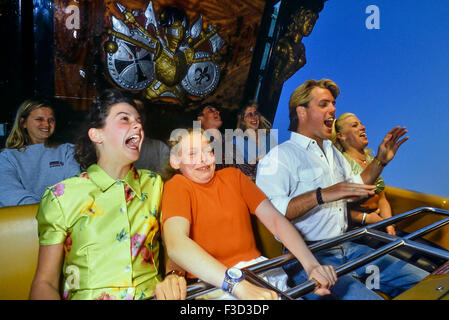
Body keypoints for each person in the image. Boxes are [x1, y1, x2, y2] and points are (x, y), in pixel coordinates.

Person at [256, 79, 428, 300]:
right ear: (302, 112)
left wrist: (381, 161)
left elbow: (356, 184)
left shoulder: (331, 151)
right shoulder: (279, 157)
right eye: (324, 104)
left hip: (350, 245)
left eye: (334, 104)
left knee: (427, 280)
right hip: (309, 258)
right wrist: (322, 195)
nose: (333, 109)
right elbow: (273, 213)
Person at [29, 89, 186, 300]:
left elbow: (175, 245)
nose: (138, 126)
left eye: (139, 121)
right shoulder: (61, 196)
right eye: (124, 119)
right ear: (97, 135)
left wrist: (172, 275)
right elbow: (45, 282)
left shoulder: (155, 184)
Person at [161, 128, 337, 300]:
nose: (203, 159)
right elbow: (176, 244)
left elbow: (275, 220)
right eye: (192, 154)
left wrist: (311, 265)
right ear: (175, 161)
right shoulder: (177, 186)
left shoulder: (234, 176)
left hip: (261, 271)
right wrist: (238, 285)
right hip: (215, 283)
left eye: (208, 151)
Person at [0, 99, 80, 207]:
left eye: (51, 120)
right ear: (23, 122)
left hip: (64, 216)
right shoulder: (7, 157)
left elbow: (76, 184)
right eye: (39, 119)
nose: (46, 124)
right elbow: (9, 193)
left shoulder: (67, 150)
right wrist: (44, 212)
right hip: (26, 218)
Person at [332, 112, 396, 235]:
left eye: (361, 124)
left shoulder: (372, 161)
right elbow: (335, 207)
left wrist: (389, 226)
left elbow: (382, 199)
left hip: (379, 222)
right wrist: (365, 218)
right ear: (341, 135)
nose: (363, 127)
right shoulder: (340, 163)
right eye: (355, 125)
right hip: (358, 228)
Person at [233, 103, 277, 181]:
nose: (254, 117)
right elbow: (237, 168)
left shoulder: (268, 137)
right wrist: (255, 159)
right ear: (243, 121)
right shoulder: (237, 141)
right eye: (250, 115)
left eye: (255, 113)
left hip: (272, 179)